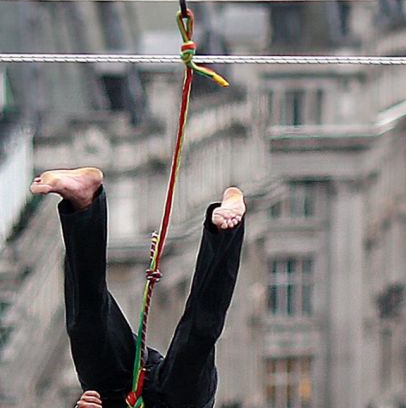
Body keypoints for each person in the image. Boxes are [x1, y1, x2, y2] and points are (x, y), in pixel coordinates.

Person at [30, 167, 246, 408]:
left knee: (86, 324)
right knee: (197, 339)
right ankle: (225, 232)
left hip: (118, 396)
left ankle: (84, 204)